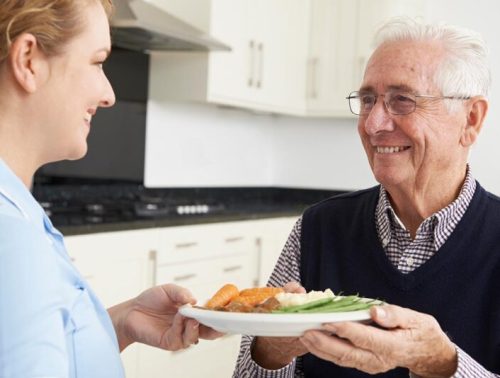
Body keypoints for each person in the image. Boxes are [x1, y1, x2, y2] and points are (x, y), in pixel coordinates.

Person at [234, 18, 500, 377]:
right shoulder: (317, 229)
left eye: (402, 100)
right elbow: (247, 371)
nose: (373, 124)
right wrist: (272, 349)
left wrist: (442, 364)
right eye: (367, 99)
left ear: (470, 119)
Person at [0, 1, 220, 377]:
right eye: (98, 62)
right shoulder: (12, 237)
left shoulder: (18, 213)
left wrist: (120, 321)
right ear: (28, 60)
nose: (109, 94)